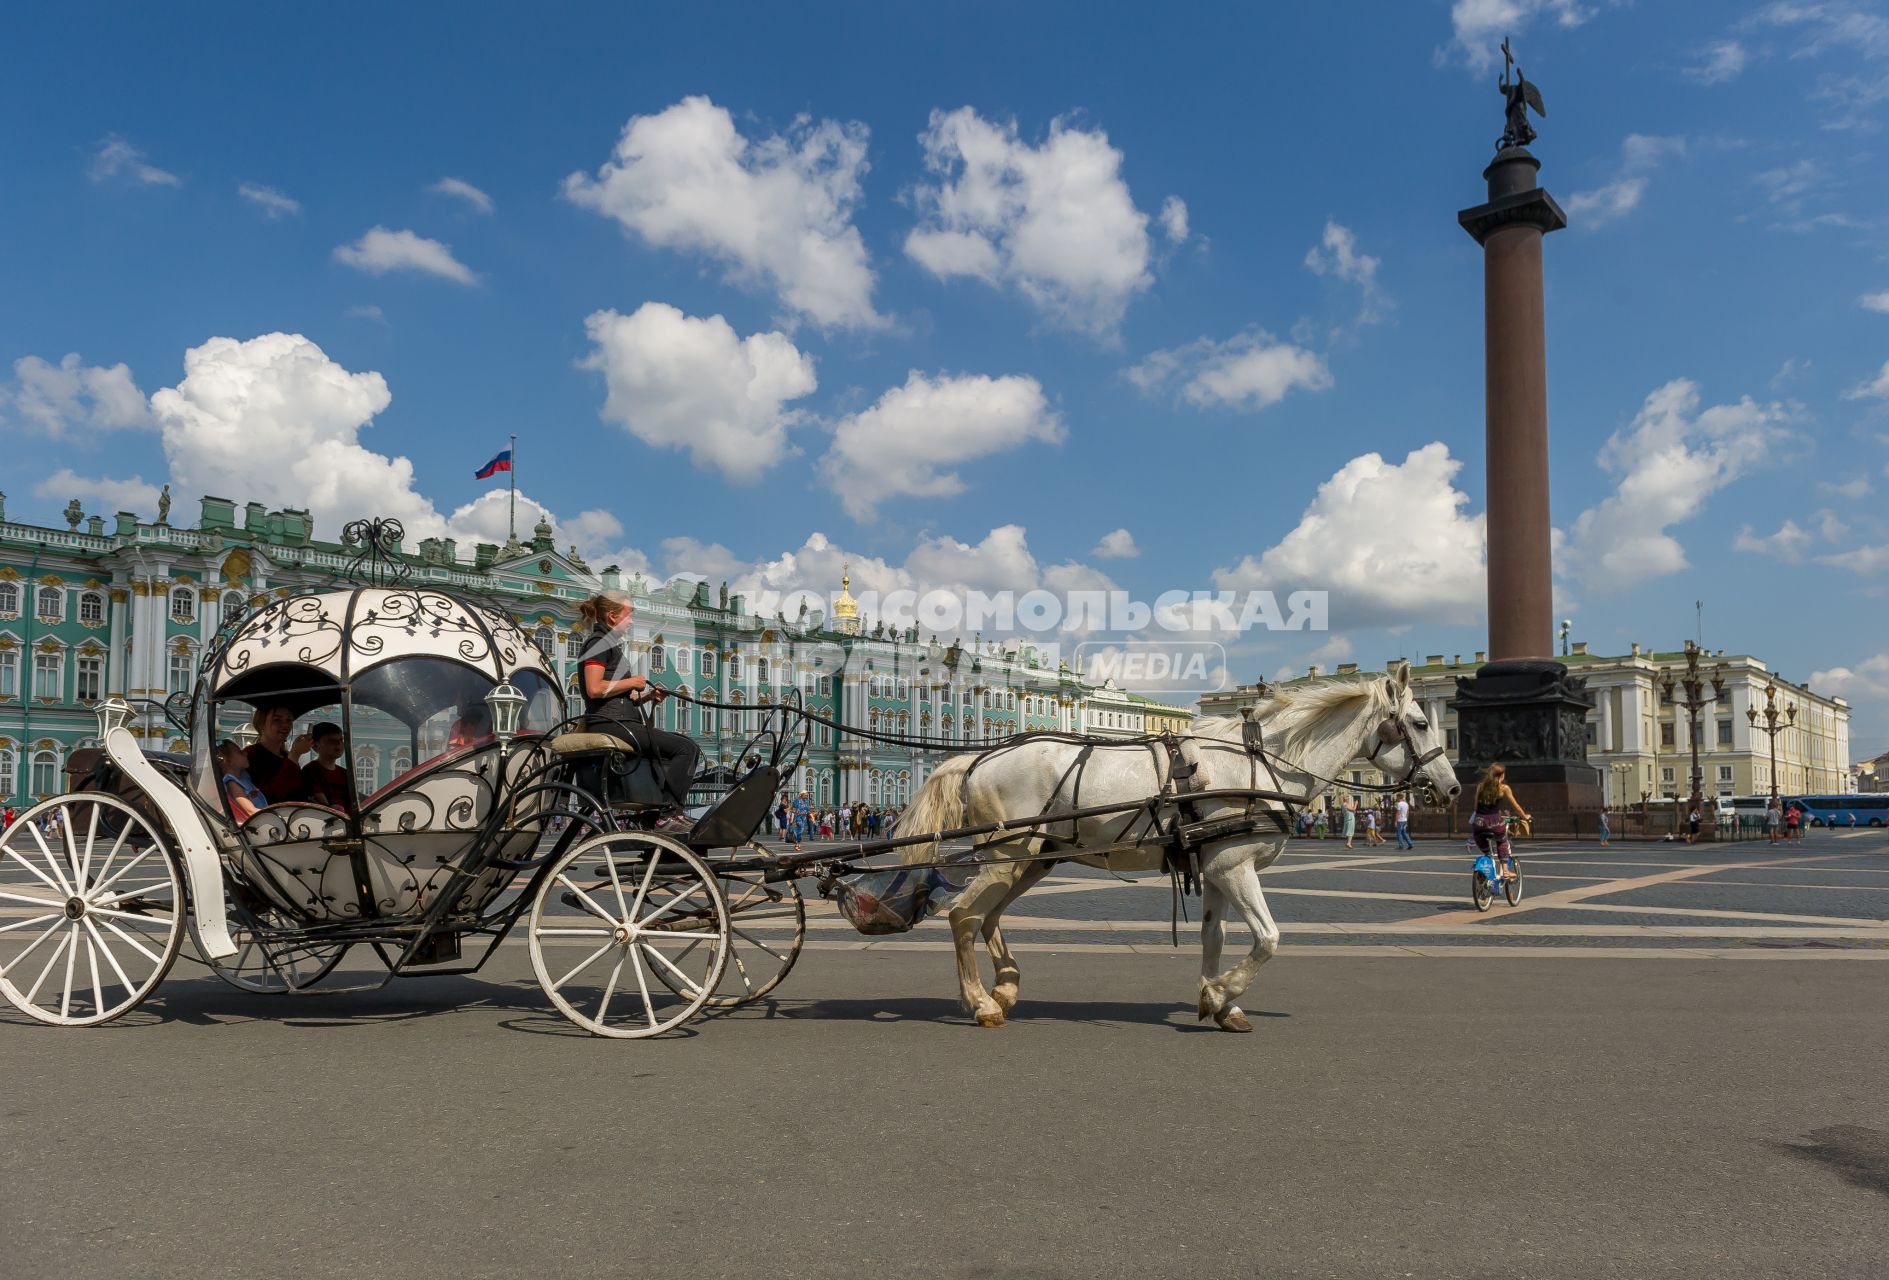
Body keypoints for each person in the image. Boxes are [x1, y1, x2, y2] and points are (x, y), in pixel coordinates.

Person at [575, 590, 700, 808]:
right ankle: (667, 812)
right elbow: (595, 689)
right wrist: (632, 682)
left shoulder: (608, 643)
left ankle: (659, 807)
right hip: (609, 723)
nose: (632, 620)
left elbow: (615, 696)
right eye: (629, 614)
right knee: (685, 749)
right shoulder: (599, 643)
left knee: (686, 744)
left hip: (616, 720)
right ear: (613, 616)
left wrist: (647, 696)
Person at [1468, 763, 1531, 882]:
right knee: (1502, 841)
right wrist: (1525, 816)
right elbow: (1516, 807)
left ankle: (1486, 865)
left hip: (1478, 824)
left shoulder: (1480, 786)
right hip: (1495, 823)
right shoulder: (1504, 788)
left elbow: (1476, 808)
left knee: (1486, 850)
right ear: (1501, 775)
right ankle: (1506, 871)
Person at [247, 704, 311, 804]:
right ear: (261, 724)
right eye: (277, 720)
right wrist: (294, 755)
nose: (285, 725)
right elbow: (266, 797)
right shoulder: (250, 755)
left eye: (288, 720)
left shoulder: (285, 756)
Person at [300, 722, 355, 814]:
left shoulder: (345, 773)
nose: (338, 744)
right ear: (315, 745)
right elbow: (319, 800)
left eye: (341, 740)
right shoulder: (310, 771)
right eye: (331, 741)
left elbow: (352, 801)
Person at [218, 740, 269, 822]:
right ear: (227, 760)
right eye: (240, 752)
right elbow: (250, 811)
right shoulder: (232, 784)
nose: (246, 753)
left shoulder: (243, 776)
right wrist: (272, 815)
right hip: (257, 822)